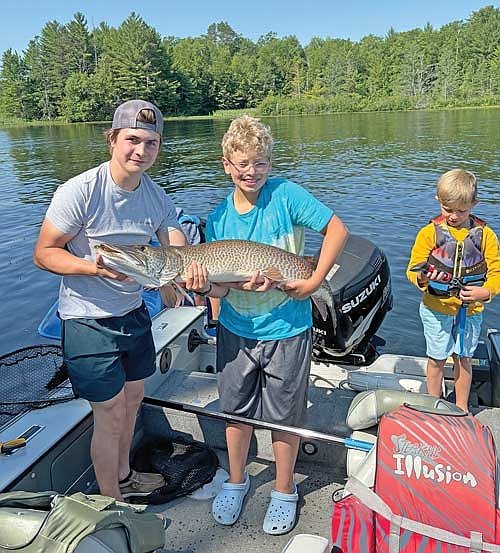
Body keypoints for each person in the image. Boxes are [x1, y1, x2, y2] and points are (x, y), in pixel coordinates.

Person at [184, 115, 348, 535]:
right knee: (235, 414)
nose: (250, 172)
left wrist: (311, 282)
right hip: (237, 331)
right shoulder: (217, 220)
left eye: (259, 163)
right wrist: (207, 290)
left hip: (288, 330)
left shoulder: (286, 195)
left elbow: (337, 229)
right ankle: (237, 481)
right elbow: (219, 293)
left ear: (269, 163)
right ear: (226, 164)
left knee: (282, 417)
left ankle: (283, 490)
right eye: (242, 164)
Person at [33, 99, 187, 501]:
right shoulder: (81, 191)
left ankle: (124, 474)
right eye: (132, 140)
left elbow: (174, 239)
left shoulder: (155, 196)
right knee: (111, 412)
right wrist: (95, 269)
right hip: (87, 321)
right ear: (113, 139)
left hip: (133, 314)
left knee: (134, 398)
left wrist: (180, 269)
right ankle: (111, 504)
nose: (141, 150)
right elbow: (45, 252)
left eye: (151, 143)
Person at [407, 169, 500, 412]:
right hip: (435, 309)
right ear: (439, 201)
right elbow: (413, 269)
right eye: (448, 210)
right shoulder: (429, 233)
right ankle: (434, 405)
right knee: (436, 358)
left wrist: (486, 292)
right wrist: (423, 278)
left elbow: (496, 274)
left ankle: (461, 407)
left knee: (464, 357)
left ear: (474, 205)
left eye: (462, 210)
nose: (454, 216)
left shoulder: (486, 237)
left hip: (470, 311)